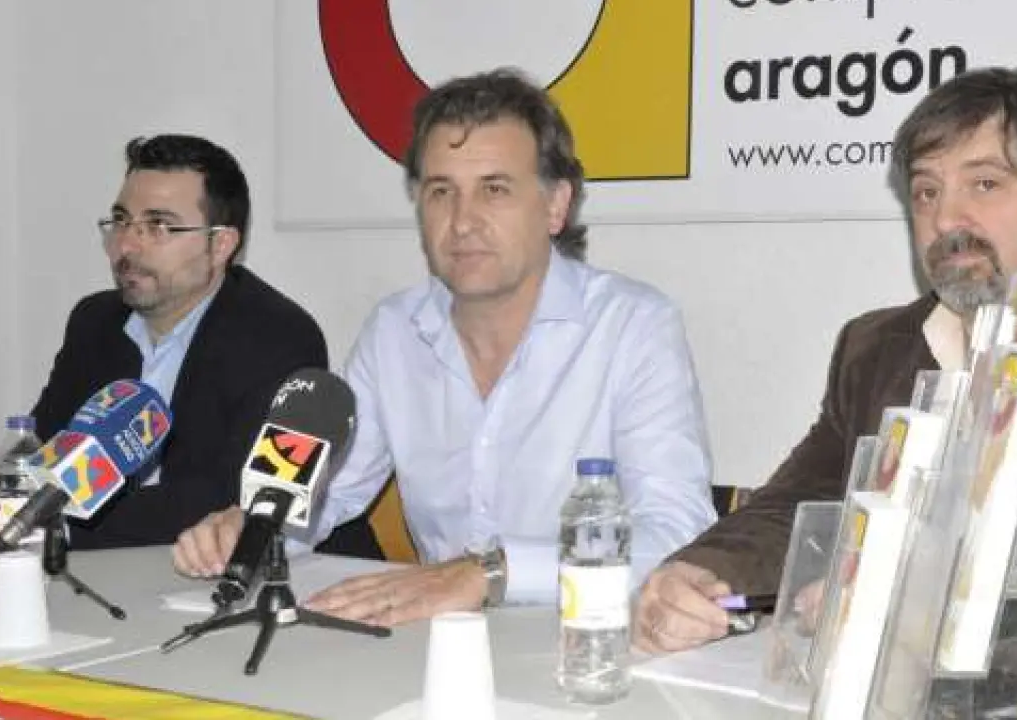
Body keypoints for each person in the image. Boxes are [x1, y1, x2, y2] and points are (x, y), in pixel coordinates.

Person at [633, 67, 1017, 676]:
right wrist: (701, 571)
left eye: (985, 184)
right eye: (926, 192)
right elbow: (800, 505)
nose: (946, 220)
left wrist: (936, 627)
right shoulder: (877, 348)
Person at [172, 68, 716, 626]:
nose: (462, 222)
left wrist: (492, 573)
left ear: (555, 206)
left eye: (494, 190)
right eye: (441, 192)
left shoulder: (633, 325)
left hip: (586, 642)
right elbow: (329, 495)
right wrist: (253, 528)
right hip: (438, 642)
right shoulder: (393, 331)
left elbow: (677, 534)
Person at [0, 134, 334, 551]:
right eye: (122, 221)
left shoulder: (278, 337)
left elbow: (227, 499)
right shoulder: (95, 322)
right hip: (109, 568)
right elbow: (46, 451)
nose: (125, 245)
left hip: (238, 572)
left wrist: (44, 520)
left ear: (220, 245)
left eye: (158, 226)